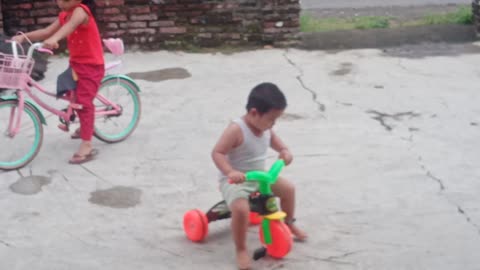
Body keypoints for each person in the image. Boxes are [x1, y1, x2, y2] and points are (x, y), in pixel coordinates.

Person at [211, 82, 307, 269]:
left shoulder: (266, 128)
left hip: (261, 177)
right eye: (271, 119)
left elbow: (277, 142)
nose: (273, 124)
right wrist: (230, 172)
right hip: (237, 180)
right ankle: (241, 249)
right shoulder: (236, 130)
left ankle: (288, 223)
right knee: (240, 209)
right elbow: (217, 153)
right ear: (254, 113)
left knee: (288, 189)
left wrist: (285, 151)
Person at [12, 0, 104, 164]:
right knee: (69, 93)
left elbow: (69, 27)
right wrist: (23, 37)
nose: (61, 2)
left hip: (91, 66)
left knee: (83, 103)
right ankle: (84, 124)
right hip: (76, 64)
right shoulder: (64, 15)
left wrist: (55, 39)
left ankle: (87, 144)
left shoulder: (81, 11)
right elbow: (46, 31)